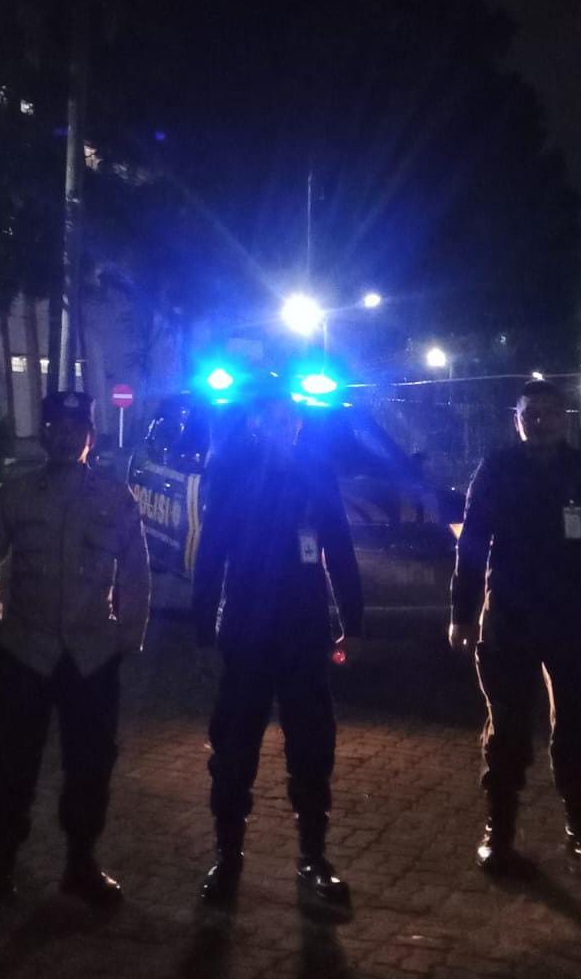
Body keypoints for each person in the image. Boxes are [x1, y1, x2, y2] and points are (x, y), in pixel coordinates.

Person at [0, 390, 151, 925]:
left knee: (90, 765)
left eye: (76, 429)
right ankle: (1, 868)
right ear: (45, 434)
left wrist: (128, 633)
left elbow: (135, 570)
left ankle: (81, 863)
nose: (66, 437)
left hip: (91, 656)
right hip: (26, 651)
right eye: (56, 428)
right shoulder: (18, 494)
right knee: (10, 765)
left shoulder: (115, 496)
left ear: (90, 436)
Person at [449, 379, 581, 877]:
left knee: (577, 724)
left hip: (572, 618)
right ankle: (498, 832)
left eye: (550, 412)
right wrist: (462, 613)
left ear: (564, 418)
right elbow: (472, 544)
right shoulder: (496, 470)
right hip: (509, 616)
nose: (540, 421)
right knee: (507, 726)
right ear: (516, 420)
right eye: (530, 413)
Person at [192, 388, 364, 913]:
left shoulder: (317, 471)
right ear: (254, 422)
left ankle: (314, 857)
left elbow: (339, 547)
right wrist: (201, 631)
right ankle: (227, 858)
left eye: (287, 417)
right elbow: (210, 552)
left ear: (297, 423)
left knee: (313, 747)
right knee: (233, 749)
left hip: (304, 630)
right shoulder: (231, 471)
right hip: (247, 630)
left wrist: (353, 622)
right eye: (269, 417)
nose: (279, 425)